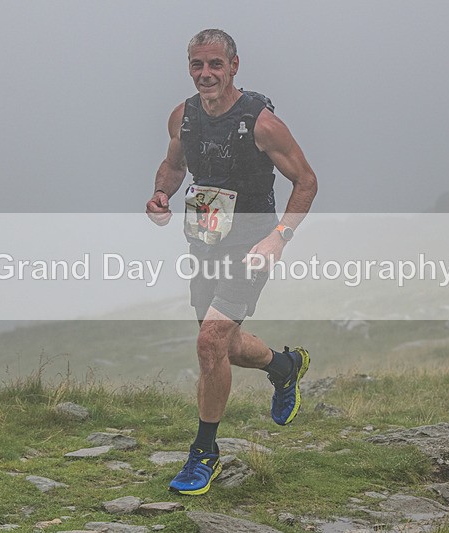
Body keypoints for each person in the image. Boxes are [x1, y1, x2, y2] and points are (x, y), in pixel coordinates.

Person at [145, 29, 317, 496]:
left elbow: (306, 181)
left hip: (251, 246)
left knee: (209, 342)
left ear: (234, 66)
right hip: (204, 240)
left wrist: (280, 237)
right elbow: (174, 166)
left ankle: (205, 452)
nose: (206, 74)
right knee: (226, 347)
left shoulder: (261, 123)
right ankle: (283, 367)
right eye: (197, 65)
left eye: (215, 65)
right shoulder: (184, 117)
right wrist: (162, 193)